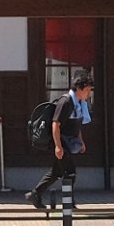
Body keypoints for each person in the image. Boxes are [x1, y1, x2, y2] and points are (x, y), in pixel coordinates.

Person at [28, 77, 92, 210]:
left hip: (68, 141)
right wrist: (58, 146)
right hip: (60, 141)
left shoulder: (79, 103)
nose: (89, 93)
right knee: (70, 171)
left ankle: (35, 194)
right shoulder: (66, 101)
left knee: (56, 172)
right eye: (87, 90)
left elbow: (76, 124)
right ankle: (68, 202)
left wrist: (81, 141)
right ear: (79, 89)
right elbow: (55, 124)